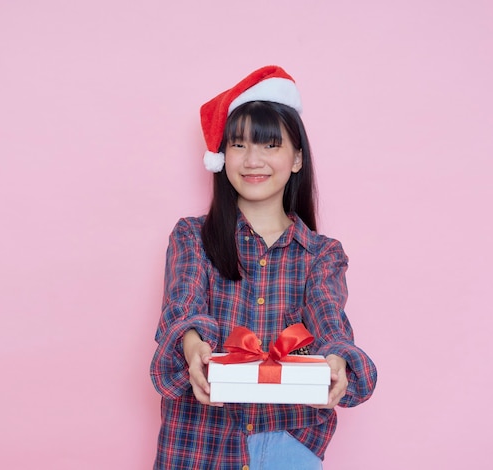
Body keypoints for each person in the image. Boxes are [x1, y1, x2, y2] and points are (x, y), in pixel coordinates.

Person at [150, 65, 377, 470]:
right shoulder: (191, 237)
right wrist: (192, 346)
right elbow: (183, 305)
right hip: (200, 441)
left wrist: (338, 359)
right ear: (223, 156)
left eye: (270, 146)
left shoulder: (321, 254)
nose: (252, 160)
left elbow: (329, 320)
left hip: (289, 442)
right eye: (238, 145)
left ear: (296, 159)